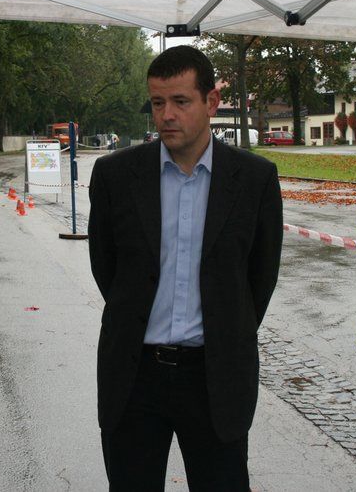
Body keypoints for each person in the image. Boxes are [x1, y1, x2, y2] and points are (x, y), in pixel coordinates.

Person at [88, 45, 283, 490]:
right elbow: (107, 267)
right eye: (157, 103)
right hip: (134, 375)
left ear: (211, 101)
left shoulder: (254, 179)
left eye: (180, 101)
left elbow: (260, 278)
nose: (167, 115)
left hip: (215, 378)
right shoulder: (116, 176)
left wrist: (225, 330)